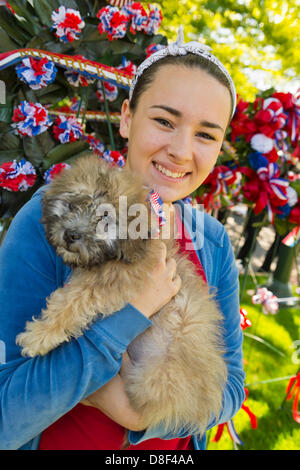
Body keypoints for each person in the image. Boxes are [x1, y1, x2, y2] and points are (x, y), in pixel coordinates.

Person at [0, 27, 245, 450]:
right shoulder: (55, 216)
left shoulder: (212, 242)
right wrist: (125, 319)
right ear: (127, 117)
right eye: (165, 121)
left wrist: (139, 417)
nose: (182, 150)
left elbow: (232, 388)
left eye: (206, 134)